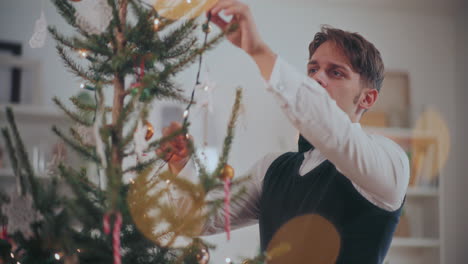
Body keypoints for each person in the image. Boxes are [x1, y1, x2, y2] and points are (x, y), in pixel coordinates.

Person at [158, 0, 410, 262]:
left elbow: (331, 128)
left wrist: (258, 52)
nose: (317, 78)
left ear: (367, 99)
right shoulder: (271, 169)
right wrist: (181, 165)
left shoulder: (390, 162)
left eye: (336, 72)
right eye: (312, 69)